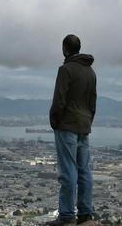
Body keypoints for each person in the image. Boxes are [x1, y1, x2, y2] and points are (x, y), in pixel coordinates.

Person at [47, 34, 97, 225]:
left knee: (68, 171)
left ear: (64, 49)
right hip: (84, 126)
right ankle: (85, 213)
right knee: (84, 170)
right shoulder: (91, 72)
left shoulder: (65, 70)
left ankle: (67, 215)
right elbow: (92, 102)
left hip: (66, 126)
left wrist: (55, 121)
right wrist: (87, 121)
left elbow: (59, 99)